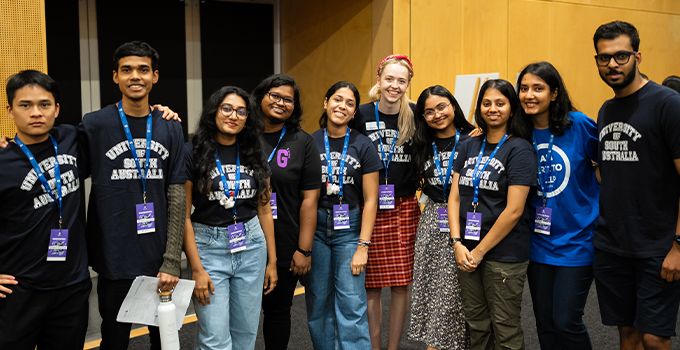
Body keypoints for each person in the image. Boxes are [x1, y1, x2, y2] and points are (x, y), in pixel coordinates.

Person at [78, 41, 186, 350]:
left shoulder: (169, 127)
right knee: (114, 339)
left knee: (164, 339)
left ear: (155, 76)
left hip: (158, 256)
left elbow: (177, 194)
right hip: (112, 256)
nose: (134, 76)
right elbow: (63, 161)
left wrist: (172, 260)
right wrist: (14, 145)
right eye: (126, 70)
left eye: (143, 69)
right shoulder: (94, 124)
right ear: (115, 77)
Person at [592, 21, 680, 350]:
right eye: (604, 57)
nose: (612, 64)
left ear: (637, 56)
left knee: (655, 338)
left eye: (621, 55)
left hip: (658, 247)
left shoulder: (667, 103)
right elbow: (614, 172)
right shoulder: (607, 109)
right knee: (627, 332)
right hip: (612, 245)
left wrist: (678, 245)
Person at [0, 70, 90, 349]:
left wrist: (158, 110)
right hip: (19, 289)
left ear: (57, 109)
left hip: (71, 286)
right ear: (10, 110)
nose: (36, 113)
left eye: (44, 104)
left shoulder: (72, 138)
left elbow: (124, 122)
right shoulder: (2, 161)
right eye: (25, 105)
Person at [183, 85, 277, 349]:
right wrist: (196, 269)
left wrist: (272, 260)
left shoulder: (255, 153)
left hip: (252, 244)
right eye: (227, 108)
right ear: (214, 111)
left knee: (245, 334)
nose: (233, 116)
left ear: (248, 118)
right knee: (214, 337)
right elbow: (183, 216)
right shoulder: (193, 152)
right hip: (208, 248)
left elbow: (265, 210)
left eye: (241, 111)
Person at [448, 79, 536, 350]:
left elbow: (514, 210)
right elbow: (453, 197)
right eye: (487, 103)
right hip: (466, 249)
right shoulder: (468, 144)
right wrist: (457, 243)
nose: (493, 109)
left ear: (512, 108)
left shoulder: (520, 149)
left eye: (500, 103)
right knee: (476, 323)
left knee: (505, 328)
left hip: (503, 254)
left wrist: (480, 252)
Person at [517, 61, 599, 350]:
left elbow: (608, 167)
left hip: (577, 241)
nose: (529, 94)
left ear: (553, 93)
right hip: (537, 243)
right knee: (545, 324)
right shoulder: (519, 132)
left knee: (566, 321)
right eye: (524, 88)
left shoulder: (579, 125)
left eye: (538, 88)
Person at [305, 81, 381, 350]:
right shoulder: (309, 142)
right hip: (315, 228)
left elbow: (371, 200)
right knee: (318, 303)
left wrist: (363, 246)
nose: (343, 106)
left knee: (352, 303)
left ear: (353, 112)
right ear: (326, 103)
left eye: (350, 103)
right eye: (338, 100)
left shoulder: (364, 145)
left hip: (349, 229)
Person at [352, 54, 420, 350]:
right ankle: (374, 347)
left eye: (401, 81)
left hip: (403, 206)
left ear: (408, 84)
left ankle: (393, 348)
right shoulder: (360, 114)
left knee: (402, 284)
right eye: (389, 79)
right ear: (378, 80)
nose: (394, 86)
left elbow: (459, 128)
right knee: (371, 285)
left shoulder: (417, 114)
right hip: (369, 207)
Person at [252, 74, 321, 349]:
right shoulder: (240, 134)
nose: (281, 103)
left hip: (284, 241)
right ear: (260, 96)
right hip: (239, 241)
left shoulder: (302, 142)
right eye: (275, 95)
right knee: (237, 314)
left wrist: (303, 250)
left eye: (288, 99)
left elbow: (309, 200)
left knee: (278, 312)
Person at [408, 85, 475, 350]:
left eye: (442, 107)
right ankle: (436, 343)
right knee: (433, 289)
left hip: (466, 218)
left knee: (457, 291)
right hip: (433, 220)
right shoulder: (421, 144)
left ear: (454, 106)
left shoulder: (474, 138)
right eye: (428, 111)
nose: (437, 114)